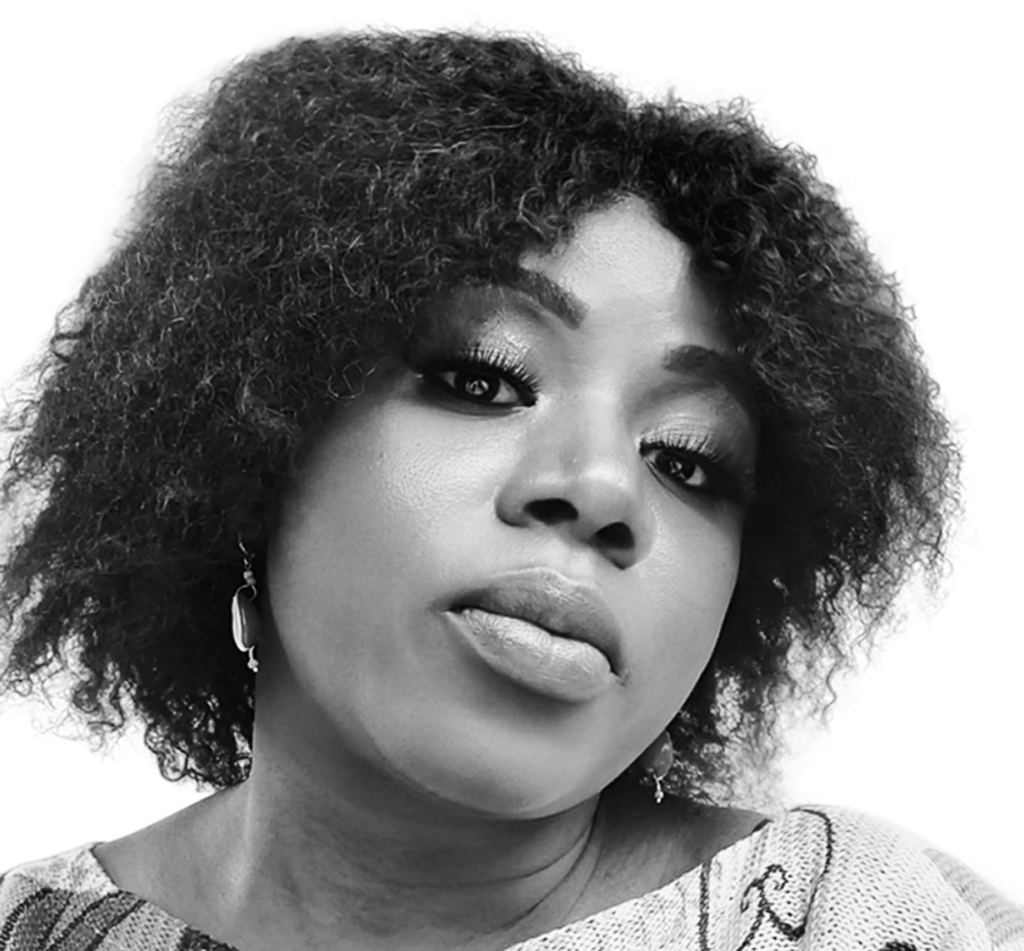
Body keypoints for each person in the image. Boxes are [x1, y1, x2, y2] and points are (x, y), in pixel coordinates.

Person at [0, 21, 1018, 951]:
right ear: (255, 435)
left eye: (687, 458)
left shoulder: (878, 921)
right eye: (483, 378)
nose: (602, 491)